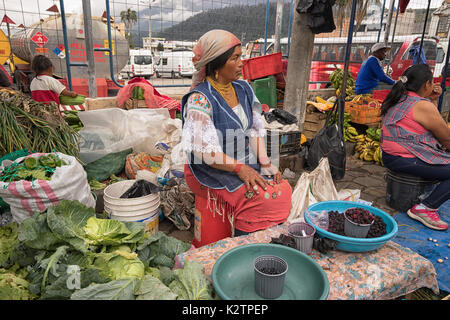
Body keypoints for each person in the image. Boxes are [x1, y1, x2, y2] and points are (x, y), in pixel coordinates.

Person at [180, 29, 292, 237]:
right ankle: (242, 244)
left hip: (239, 161)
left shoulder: (243, 89)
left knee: (282, 189)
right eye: (235, 58)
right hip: (209, 169)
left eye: (241, 56)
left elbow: (254, 131)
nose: (242, 62)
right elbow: (204, 152)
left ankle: (256, 237)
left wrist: (265, 163)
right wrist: (240, 168)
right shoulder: (200, 100)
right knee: (260, 197)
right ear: (217, 64)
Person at [380, 64, 450, 231]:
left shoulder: (399, 97)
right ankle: (425, 208)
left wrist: (433, 100)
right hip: (404, 159)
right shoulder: (421, 105)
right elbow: (446, 139)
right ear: (427, 84)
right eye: (432, 82)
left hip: (391, 156)